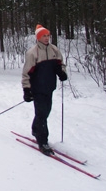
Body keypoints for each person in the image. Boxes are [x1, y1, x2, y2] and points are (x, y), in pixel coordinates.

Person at [21, 24, 68, 156]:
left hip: (49, 87)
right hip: (37, 89)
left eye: (48, 35)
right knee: (42, 114)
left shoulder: (54, 50)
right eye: (44, 36)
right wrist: (26, 89)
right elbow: (26, 73)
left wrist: (61, 72)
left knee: (45, 112)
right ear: (38, 38)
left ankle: (36, 130)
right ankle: (43, 141)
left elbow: (61, 64)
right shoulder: (32, 53)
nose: (47, 38)